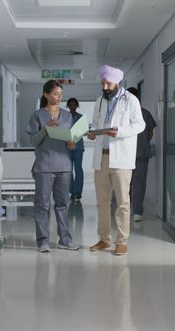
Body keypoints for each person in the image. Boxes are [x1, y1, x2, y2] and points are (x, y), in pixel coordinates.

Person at [87, 65, 145, 256]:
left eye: (108, 83)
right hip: (102, 158)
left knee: (122, 202)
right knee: (102, 202)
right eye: (102, 83)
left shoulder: (130, 100)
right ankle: (104, 240)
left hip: (121, 159)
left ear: (117, 83)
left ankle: (122, 241)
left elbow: (140, 124)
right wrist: (93, 132)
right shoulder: (99, 101)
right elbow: (96, 123)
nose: (104, 87)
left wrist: (119, 132)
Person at [25, 80, 80, 253]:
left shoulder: (67, 115)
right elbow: (33, 141)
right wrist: (45, 129)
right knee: (42, 205)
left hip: (64, 165)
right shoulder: (38, 115)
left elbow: (71, 139)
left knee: (62, 204)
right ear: (46, 94)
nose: (59, 97)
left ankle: (65, 239)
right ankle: (43, 241)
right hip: (44, 166)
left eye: (60, 94)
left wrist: (72, 144)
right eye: (56, 94)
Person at [126, 87, 157, 222]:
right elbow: (150, 133)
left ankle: (130, 210)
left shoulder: (124, 114)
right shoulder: (144, 113)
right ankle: (136, 211)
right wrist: (143, 142)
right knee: (137, 183)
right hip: (138, 152)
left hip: (132, 154)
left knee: (126, 183)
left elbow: (149, 133)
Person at [67, 98, 85, 201]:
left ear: (76, 106)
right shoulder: (64, 117)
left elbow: (83, 131)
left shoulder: (81, 118)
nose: (72, 106)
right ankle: (72, 192)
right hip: (68, 147)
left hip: (78, 147)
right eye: (70, 104)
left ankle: (78, 192)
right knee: (69, 170)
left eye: (74, 104)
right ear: (68, 106)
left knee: (78, 169)